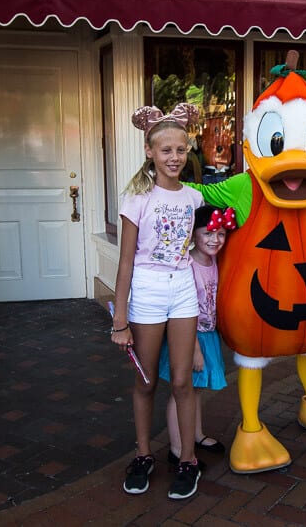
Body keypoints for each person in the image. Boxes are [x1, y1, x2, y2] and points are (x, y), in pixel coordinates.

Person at [111, 102, 204, 500]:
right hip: (147, 292)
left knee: (183, 382)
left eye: (181, 150)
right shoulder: (137, 198)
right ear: (150, 151)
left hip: (183, 289)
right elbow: (126, 261)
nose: (174, 158)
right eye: (166, 150)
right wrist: (120, 320)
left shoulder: (193, 198)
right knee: (147, 380)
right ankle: (144, 454)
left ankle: (188, 460)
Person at [158, 205, 234, 467]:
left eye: (221, 234)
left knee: (197, 390)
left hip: (207, 334)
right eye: (209, 233)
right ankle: (178, 448)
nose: (215, 240)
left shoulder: (215, 261)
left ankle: (196, 434)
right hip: (188, 338)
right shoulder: (186, 265)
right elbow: (179, 312)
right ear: (194, 235)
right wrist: (194, 350)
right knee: (182, 391)